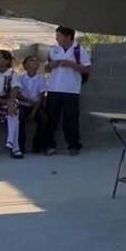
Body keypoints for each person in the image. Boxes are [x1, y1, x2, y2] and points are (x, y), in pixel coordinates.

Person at [44, 26, 90, 156]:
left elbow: (87, 69)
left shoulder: (79, 50)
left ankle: (73, 145)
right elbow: (46, 68)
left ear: (68, 36)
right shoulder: (54, 50)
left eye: (59, 36)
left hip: (71, 90)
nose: (56, 38)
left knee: (71, 119)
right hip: (53, 89)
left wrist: (71, 64)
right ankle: (48, 145)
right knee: (51, 119)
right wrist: (50, 66)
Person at [19, 55, 49, 154]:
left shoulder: (41, 79)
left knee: (44, 118)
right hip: (23, 105)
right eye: (31, 60)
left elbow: (41, 96)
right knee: (19, 118)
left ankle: (38, 145)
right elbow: (17, 95)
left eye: (36, 61)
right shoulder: (20, 78)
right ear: (25, 65)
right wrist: (28, 101)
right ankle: (20, 146)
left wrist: (34, 111)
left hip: (36, 106)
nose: (34, 63)